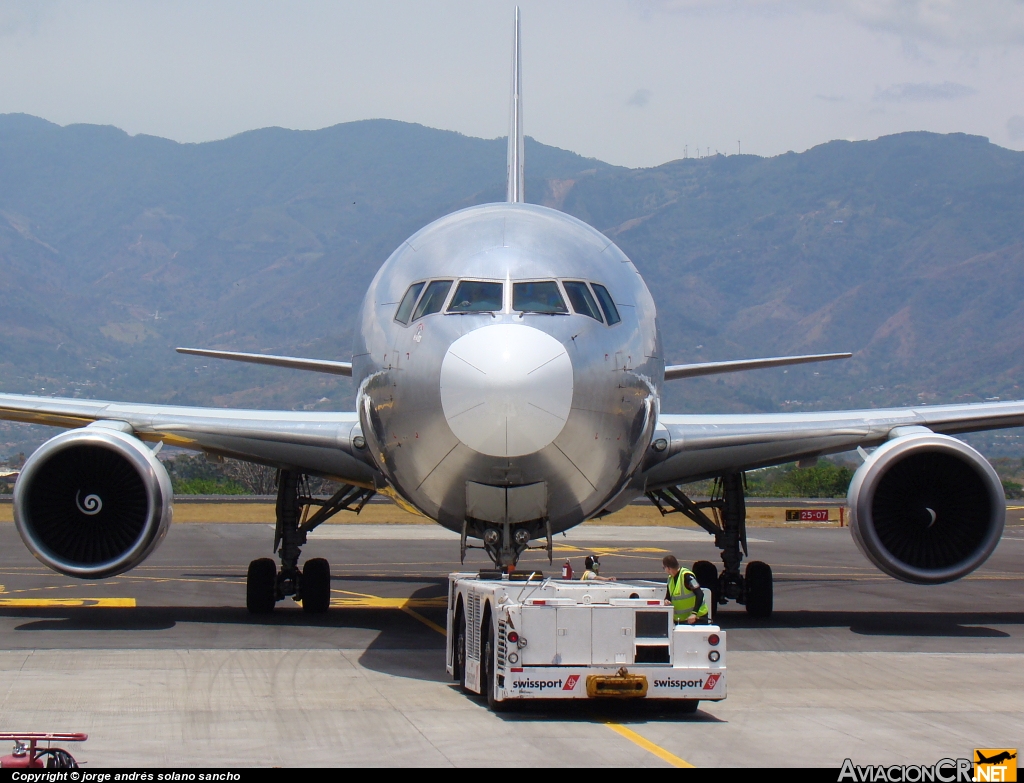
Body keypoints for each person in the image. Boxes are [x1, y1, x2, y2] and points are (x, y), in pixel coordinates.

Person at [662, 554, 708, 624]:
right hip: (681, 620)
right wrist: (666, 600)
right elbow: (668, 596)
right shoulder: (670, 579)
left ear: (668, 568)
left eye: (664, 568)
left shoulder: (687, 576)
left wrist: (694, 613)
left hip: (696, 619)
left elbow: (700, 594)